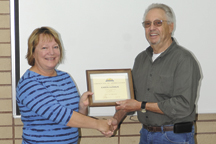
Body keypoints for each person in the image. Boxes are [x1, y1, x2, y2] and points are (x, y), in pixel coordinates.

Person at [108, 3, 201, 144]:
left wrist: (142, 106)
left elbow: (183, 105)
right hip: (146, 135)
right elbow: (131, 98)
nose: (152, 28)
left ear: (170, 27)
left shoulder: (184, 59)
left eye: (158, 23)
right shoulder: (140, 59)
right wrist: (116, 119)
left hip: (174, 137)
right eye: (147, 24)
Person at [16, 27, 113, 144]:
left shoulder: (65, 77)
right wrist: (99, 124)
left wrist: (82, 106)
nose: (51, 52)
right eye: (44, 48)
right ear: (33, 52)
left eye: (55, 47)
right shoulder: (29, 83)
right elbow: (60, 115)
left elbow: (77, 119)